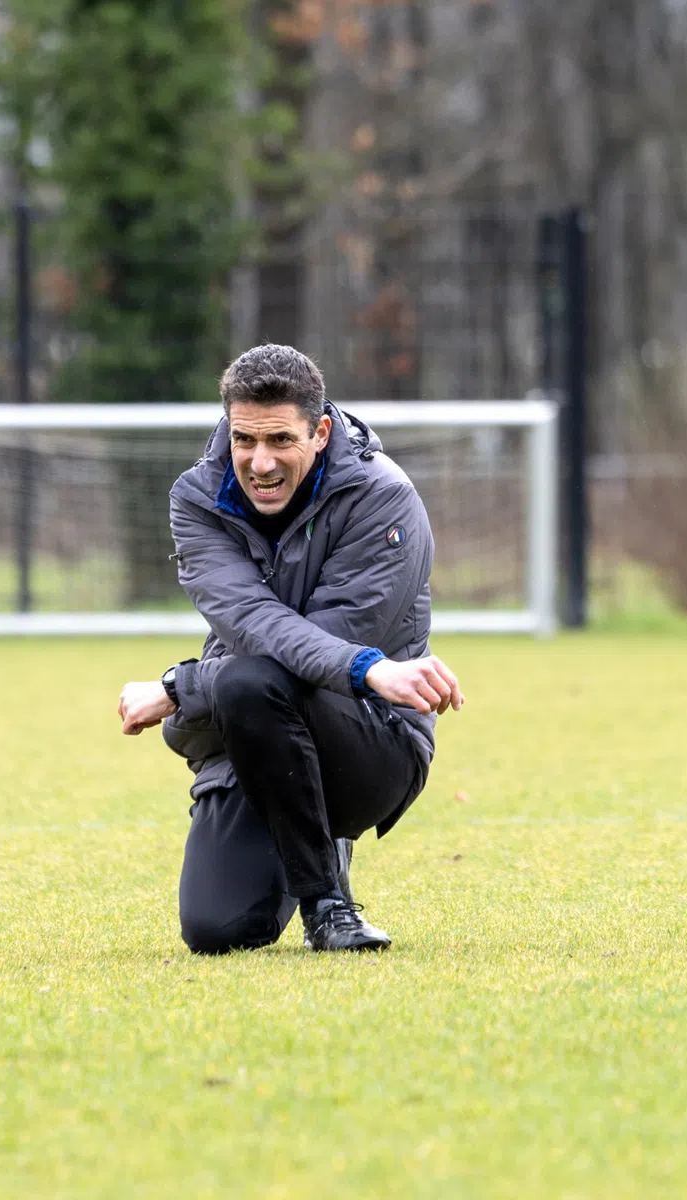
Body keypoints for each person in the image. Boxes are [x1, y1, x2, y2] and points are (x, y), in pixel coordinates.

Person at [117, 344, 464, 954]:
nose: (260, 462)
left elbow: (322, 648)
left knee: (252, 682)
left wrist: (178, 687)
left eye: (281, 439)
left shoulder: (385, 500)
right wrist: (366, 666)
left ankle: (327, 905)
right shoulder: (196, 500)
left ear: (321, 432)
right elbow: (253, 624)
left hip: (370, 736)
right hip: (252, 730)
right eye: (245, 439)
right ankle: (299, 830)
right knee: (218, 931)